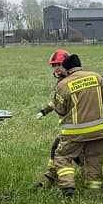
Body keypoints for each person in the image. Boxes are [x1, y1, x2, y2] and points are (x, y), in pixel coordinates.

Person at [37, 53, 103, 197]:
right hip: (98, 130)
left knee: (62, 157)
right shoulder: (96, 77)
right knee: (94, 160)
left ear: (66, 68)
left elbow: (60, 109)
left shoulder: (64, 84)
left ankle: (67, 188)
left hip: (75, 132)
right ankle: (93, 190)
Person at [36, 49, 70, 186]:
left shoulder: (70, 81)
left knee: (59, 150)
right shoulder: (61, 81)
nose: (56, 68)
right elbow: (56, 101)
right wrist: (44, 111)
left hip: (73, 126)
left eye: (58, 64)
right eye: (53, 65)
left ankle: (52, 179)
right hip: (70, 126)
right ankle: (50, 177)